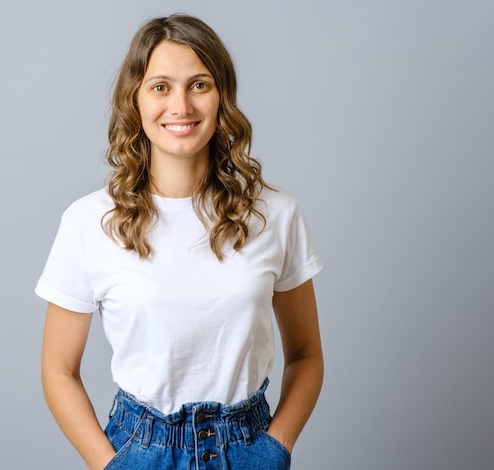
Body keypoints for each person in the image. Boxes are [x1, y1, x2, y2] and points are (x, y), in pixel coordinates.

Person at [36, 14, 324, 470]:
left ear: (222, 96)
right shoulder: (89, 222)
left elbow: (306, 355)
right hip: (139, 452)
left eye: (199, 85)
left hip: (249, 449)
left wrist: (274, 450)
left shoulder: (274, 213)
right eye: (160, 87)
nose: (181, 106)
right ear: (135, 99)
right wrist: (110, 465)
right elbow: (58, 370)